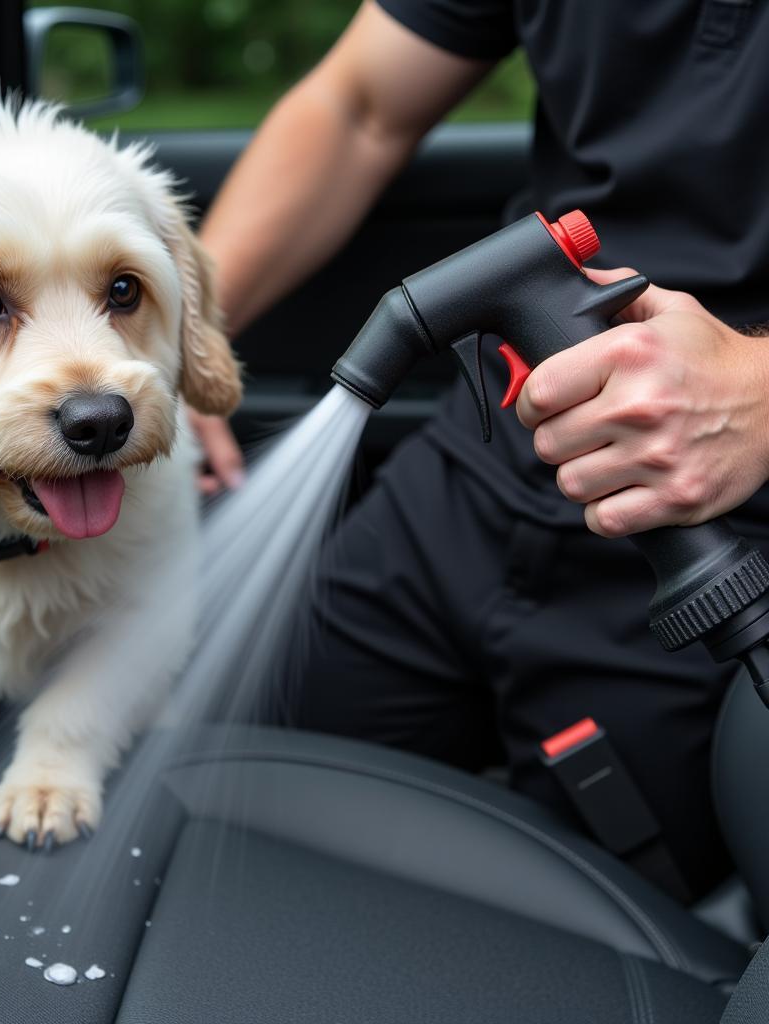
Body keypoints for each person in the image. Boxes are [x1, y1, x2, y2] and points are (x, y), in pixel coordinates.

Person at [191, 0, 769, 899]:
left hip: (712, 538)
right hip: (478, 464)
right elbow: (360, 106)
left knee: (608, 908)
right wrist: (177, 343)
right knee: (221, 786)